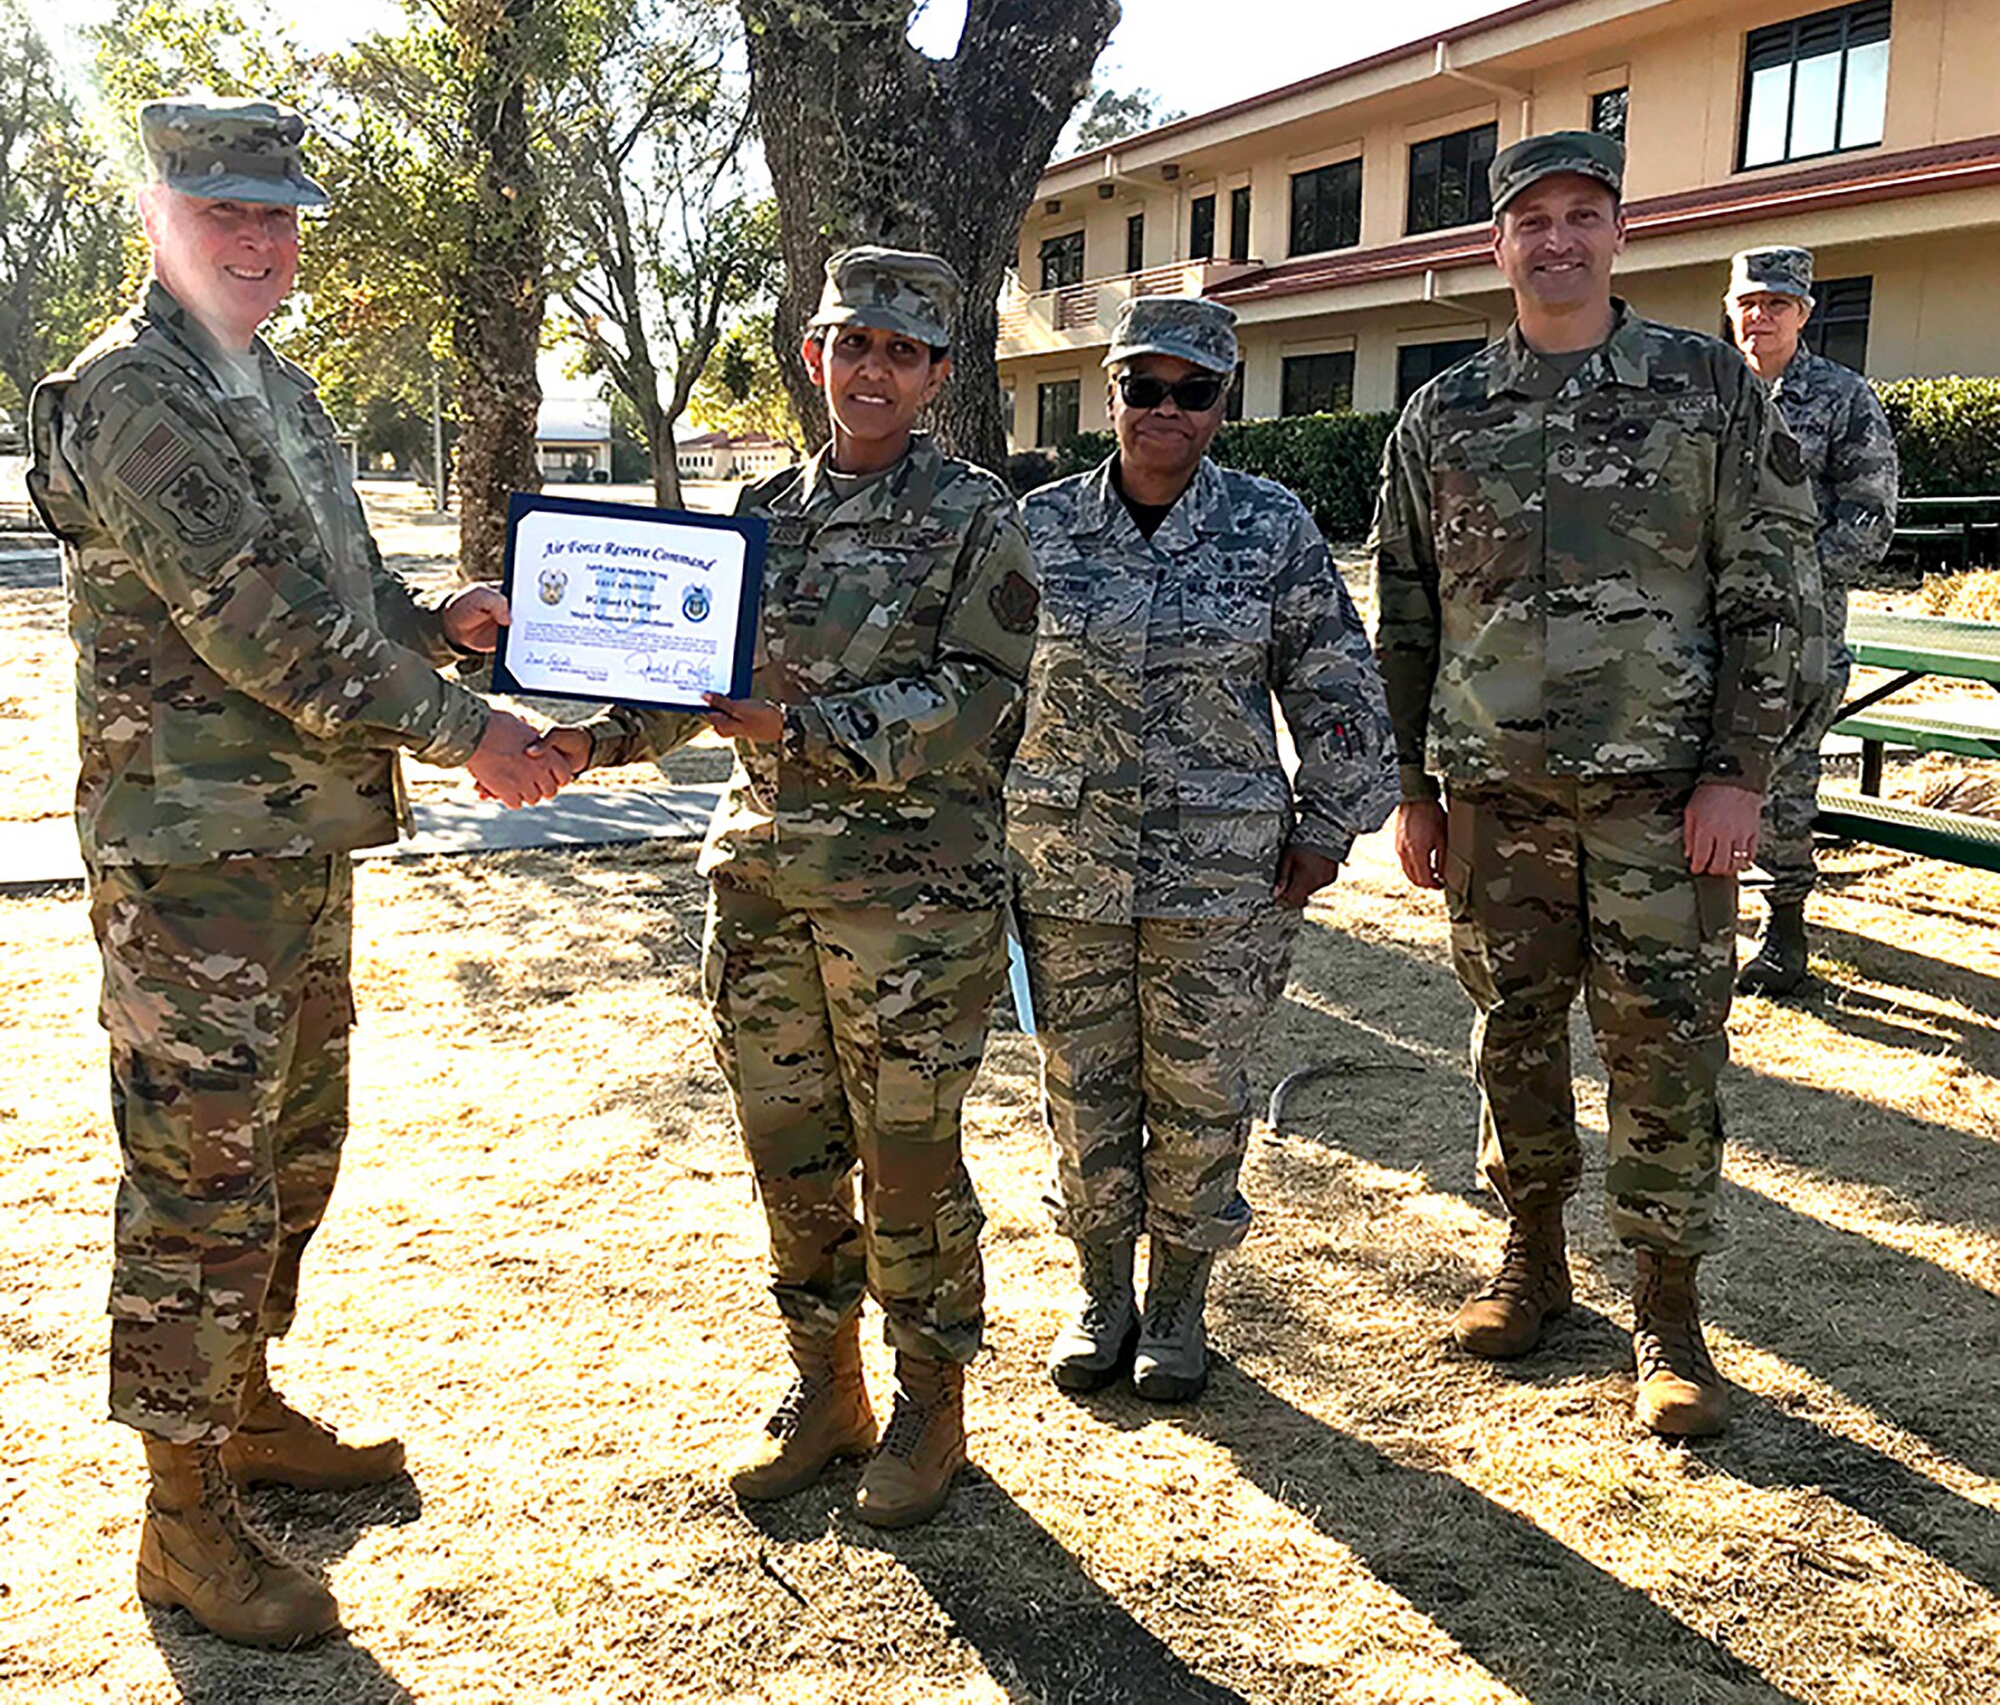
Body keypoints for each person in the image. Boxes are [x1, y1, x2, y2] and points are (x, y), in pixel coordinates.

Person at [25, 97, 570, 1647]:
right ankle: (183, 1522)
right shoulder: (131, 396)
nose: (258, 241)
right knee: (198, 1183)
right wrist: (478, 729)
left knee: (294, 1153)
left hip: (294, 845)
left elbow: (334, 596)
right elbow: (257, 626)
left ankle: (244, 1408)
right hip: (192, 863)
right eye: (224, 212)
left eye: (278, 216)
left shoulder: (277, 390)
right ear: (158, 217)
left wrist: (429, 620)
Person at [542, 248, 1037, 1529]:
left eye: (901, 350)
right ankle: (825, 1390)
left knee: (910, 1162)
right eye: (849, 343)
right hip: (762, 889)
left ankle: (930, 1403)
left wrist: (800, 730)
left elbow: (981, 694)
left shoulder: (978, 516)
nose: (871, 369)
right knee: (790, 1155)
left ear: (936, 373)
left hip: (911, 907)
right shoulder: (756, 513)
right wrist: (583, 740)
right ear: (813, 356)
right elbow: (681, 678)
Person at [1372, 131, 1816, 1438]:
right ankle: (1533, 1264)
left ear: (1620, 231)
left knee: (1667, 1056)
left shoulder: (1705, 389)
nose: (1557, 239)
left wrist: (1742, 772)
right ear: (1497, 245)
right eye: (1532, 219)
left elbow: (1772, 589)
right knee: (1513, 1041)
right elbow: (1406, 613)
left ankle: (1668, 1321)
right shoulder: (1442, 414)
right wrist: (1415, 784)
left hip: (1664, 803)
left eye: (1583, 214)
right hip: (1496, 805)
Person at [1007, 296, 1396, 1404]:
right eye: (1142, 386)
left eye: (1192, 391)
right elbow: (986, 693)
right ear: (1110, 392)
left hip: (1220, 874)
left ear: (1223, 403)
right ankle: (1099, 1291)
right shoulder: (1038, 528)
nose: (1163, 410)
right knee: (1082, 1089)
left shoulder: (1270, 527)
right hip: (1066, 867)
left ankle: (1178, 1300)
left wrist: (1326, 827)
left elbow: (1333, 686)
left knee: (1198, 1090)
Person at [1724, 245, 1901, 995]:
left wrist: (1792, 576)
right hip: (1710, 625)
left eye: (1777, 304)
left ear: (1804, 312)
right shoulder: (1710, 391)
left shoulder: (1842, 396)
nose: (1761, 316)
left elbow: (1872, 516)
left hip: (1803, 630)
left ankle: (1784, 927)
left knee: (1784, 777)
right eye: (1749, 304)